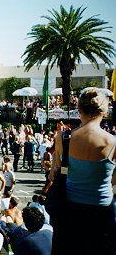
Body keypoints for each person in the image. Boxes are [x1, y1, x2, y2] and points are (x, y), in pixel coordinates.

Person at [49, 89, 116, 254]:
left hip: (70, 211)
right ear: (105, 112)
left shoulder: (63, 138)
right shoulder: (113, 142)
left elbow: (53, 174)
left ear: (79, 110)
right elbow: (114, 180)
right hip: (102, 212)